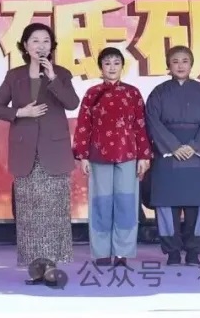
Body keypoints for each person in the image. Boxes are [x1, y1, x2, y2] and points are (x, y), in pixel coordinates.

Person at [0, 23, 80, 282]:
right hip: (25, 151)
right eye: (35, 41)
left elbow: (72, 103)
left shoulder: (61, 73)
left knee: (53, 212)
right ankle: (36, 268)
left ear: (52, 47)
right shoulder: (14, 76)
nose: (41, 46)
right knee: (30, 215)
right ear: (25, 46)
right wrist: (21, 112)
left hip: (54, 150)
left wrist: (53, 79)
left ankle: (51, 266)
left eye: (46, 41)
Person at [72, 47, 151, 266]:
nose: (112, 67)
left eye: (116, 63)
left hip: (128, 154)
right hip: (99, 155)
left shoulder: (133, 93)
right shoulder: (92, 93)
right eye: (107, 63)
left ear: (122, 67)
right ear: (101, 67)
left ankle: (123, 252)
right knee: (101, 204)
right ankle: (102, 252)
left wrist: (144, 156)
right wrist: (83, 156)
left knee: (126, 203)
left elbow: (140, 125)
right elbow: (83, 125)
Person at [146, 45, 200, 266]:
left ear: (191, 64)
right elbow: (152, 121)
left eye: (185, 61)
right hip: (167, 154)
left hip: (197, 153)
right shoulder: (158, 93)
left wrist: (195, 145)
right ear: (168, 65)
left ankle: (194, 252)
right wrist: (173, 146)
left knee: (198, 204)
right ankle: (173, 253)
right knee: (166, 203)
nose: (180, 65)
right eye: (175, 61)